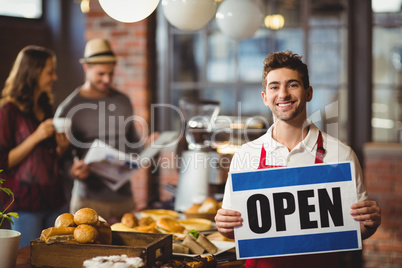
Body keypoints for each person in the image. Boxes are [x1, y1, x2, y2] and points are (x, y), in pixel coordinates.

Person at [214, 51, 381, 268]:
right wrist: (225, 226)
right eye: (274, 87)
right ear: (265, 97)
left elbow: (354, 229)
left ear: (308, 92)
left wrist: (369, 223)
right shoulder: (246, 155)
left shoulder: (341, 154)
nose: (283, 94)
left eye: (292, 85)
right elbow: (236, 229)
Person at [55, 38, 155, 221]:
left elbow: (133, 144)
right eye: (101, 74)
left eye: (111, 73)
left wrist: (147, 146)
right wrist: (72, 171)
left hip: (125, 200)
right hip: (88, 202)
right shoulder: (68, 108)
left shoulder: (123, 101)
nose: (107, 79)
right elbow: (59, 157)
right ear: (87, 68)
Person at [0, 45, 69, 248]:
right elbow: (3, 161)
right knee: (27, 260)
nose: (55, 77)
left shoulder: (46, 107)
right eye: (50, 72)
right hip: (25, 204)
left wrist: (61, 148)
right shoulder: (8, 110)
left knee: (56, 259)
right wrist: (36, 136)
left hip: (55, 199)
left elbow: (48, 157)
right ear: (33, 72)